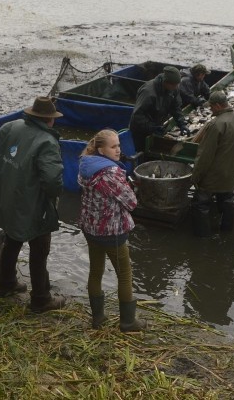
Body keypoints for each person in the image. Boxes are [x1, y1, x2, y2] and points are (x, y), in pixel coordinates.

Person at [0, 96, 66, 313]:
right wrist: (53, 197)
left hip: (9, 197)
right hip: (33, 204)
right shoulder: (47, 142)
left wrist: (8, 175)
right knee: (39, 249)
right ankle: (41, 299)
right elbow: (53, 181)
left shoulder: (10, 126)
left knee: (13, 239)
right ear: (50, 120)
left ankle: (6, 284)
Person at [78, 129, 146, 332]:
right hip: (111, 232)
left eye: (119, 145)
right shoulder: (111, 173)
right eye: (113, 147)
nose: (118, 150)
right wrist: (132, 188)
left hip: (90, 228)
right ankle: (128, 322)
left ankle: (98, 319)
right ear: (101, 149)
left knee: (95, 271)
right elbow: (131, 203)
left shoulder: (85, 165)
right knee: (125, 274)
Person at [190, 90, 234, 236]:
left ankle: (202, 239)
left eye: (211, 106)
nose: (210, 109)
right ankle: (226, 234)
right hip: (230, 173)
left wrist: (195, 177)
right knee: (227, 201)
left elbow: (205, 155)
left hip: (213, 176)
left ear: (218, 106)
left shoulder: (216, 124)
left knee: (201, 204)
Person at [129, 65, 191, 153]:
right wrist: (152, 127)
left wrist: (181, 123)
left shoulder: (173, 88)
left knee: (155, 149)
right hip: (140, 130)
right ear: (166, 82)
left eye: (177, 84)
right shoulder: (148, 92)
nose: (176, 87)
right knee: (142, 151)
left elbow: (175, 107)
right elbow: (137, 116)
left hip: (156, 124)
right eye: (174, 85)